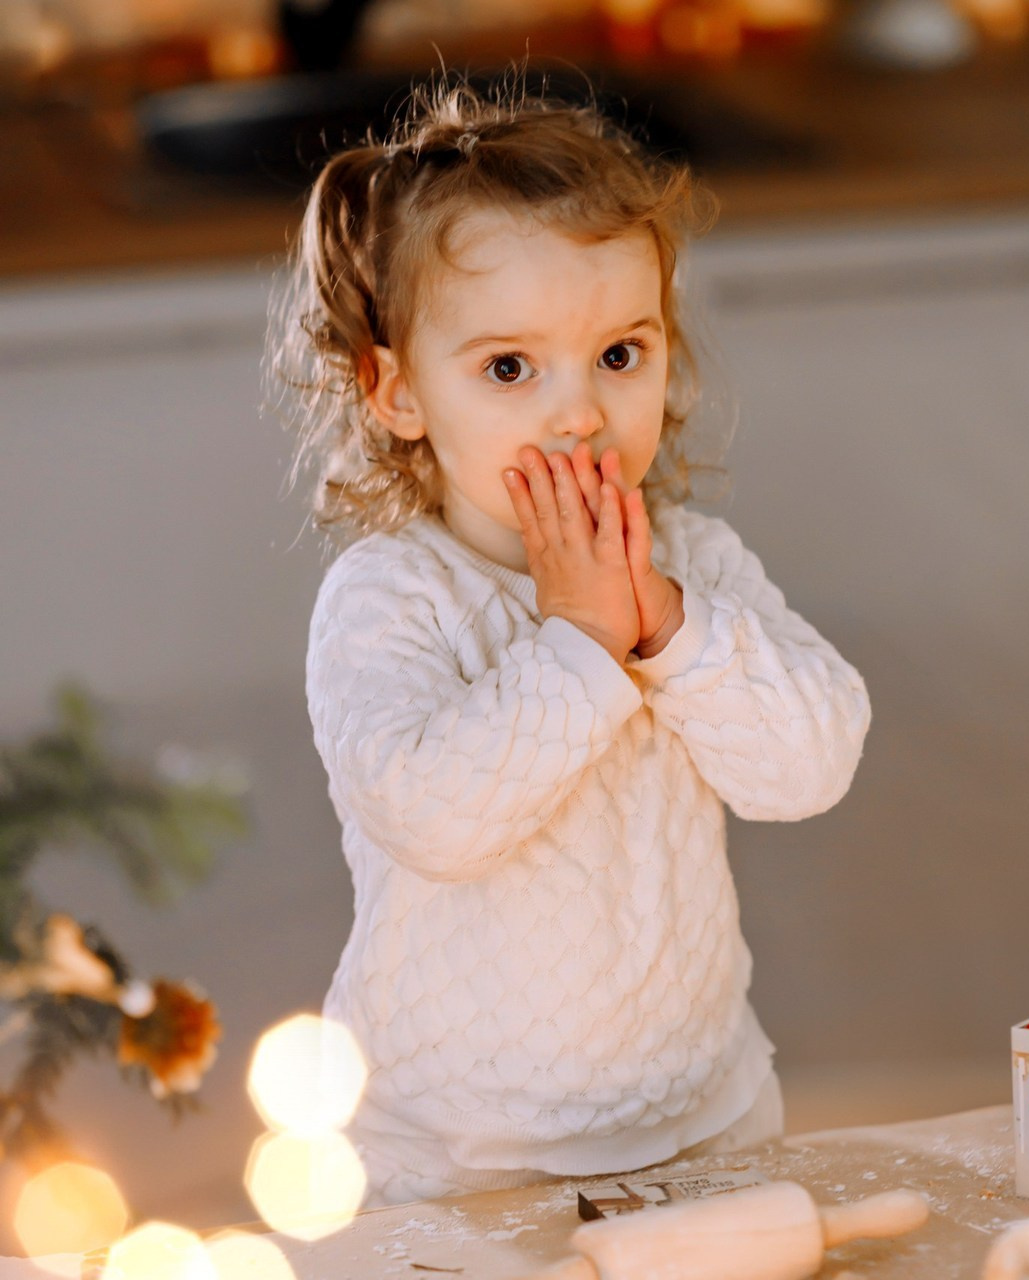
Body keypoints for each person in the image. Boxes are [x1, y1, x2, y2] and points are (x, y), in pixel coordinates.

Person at [270, 78, 872, 1208]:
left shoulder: (691, 565)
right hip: (453, 1149)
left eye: (618, 354)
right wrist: (584, 642)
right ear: (397, 392)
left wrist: (662, 622)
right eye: (509, 368)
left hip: (705, 1113)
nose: (578, 413)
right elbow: (430, 817)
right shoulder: (389, 596)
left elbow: (809, 765)